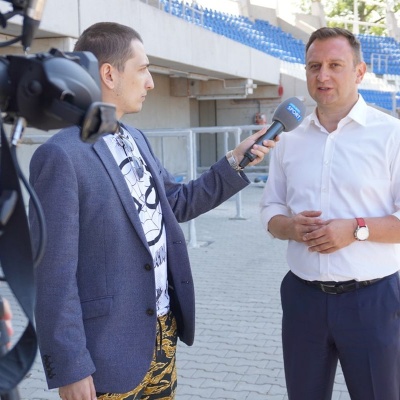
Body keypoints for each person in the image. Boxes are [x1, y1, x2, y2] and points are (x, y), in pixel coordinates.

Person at [29, 22, 276, 400]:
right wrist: (70, 366)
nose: (151, 82)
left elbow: (176, 202)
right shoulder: (61, 156)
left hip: (160, 338)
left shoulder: (135, 138)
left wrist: (235, 161)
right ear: (109, 74)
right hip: (104, 357)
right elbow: (53, 276)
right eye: (143, 69)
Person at [260, 26, 400, 400]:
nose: (322, 75)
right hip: (303, 299)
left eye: (335, 65)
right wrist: (290, 227)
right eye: (313, 66)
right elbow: (271, 208)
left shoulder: (391, 136)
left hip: (372, 302)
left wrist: (355, 230)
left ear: (359, 72)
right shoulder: (288, 138)